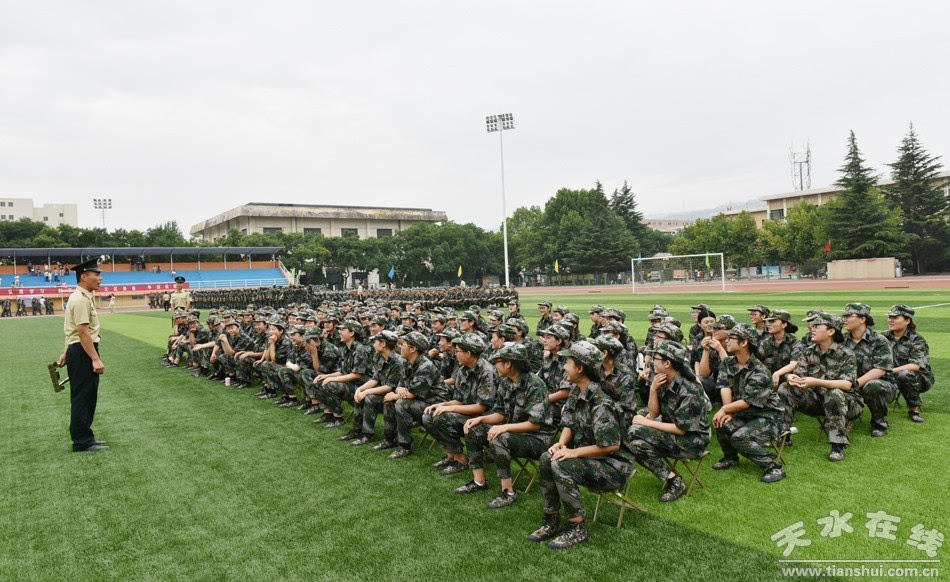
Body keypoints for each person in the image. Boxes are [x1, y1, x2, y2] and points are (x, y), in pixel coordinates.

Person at [530, 341, 633, 550]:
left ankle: (577, 527)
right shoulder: (578, 391)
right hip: (590, 459)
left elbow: (611, 446)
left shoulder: (602, 401)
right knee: (546, 458)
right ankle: (551, 519)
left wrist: (573, 452)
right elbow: (568, 422)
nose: (564, 366)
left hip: (613, 467)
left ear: (580, 368)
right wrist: (560, 444)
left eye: (568, 362)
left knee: (561, 464)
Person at [456, 342, 554, 507]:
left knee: (499, 437)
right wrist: (480, 419)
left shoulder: (535, 384)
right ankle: (479, 482)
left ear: (508, 363)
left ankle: (508, 492)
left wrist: (504, 427)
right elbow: (500, 414)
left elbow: (534, 425)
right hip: (514, 433)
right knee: (473, 428)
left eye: (497, 362)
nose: (495, 366)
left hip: (538, 439)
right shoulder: (506, 383)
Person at [625, 340, 711, 503]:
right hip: (674, 433)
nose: (651, 360)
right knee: (635, 442)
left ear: (667, 363)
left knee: (634, 430)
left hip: (693, 441)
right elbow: (654, 412)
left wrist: (646, 422)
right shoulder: (661, 379)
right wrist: (653, 390)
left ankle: (673, 481)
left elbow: (681, 429)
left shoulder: (690, 390)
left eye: (655, 358)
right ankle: (674, 480)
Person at [777, 312, 862, 462]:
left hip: (848, 404)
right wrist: (792, 377)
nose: (812, 329)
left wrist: (816, 382)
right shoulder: (809, 351)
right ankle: (783, 435)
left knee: (834, 393)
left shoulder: (846, 354)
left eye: (817, 326)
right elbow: (800, 375)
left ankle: (837, 446)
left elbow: (846, 385)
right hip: (817, 401)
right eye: (812, 326)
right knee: (785, 387)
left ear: (831, 331)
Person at [711, 325, 786, 483]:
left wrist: (725, 408)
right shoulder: (728, 363)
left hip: (769, 417)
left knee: (739, 438)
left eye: (731, 338)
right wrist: (728, 412)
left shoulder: (759, 371)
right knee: (721, 422)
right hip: (745, 414)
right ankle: (730, 458)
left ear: (744, 343)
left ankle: (773, 466)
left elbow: (746, 402)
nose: (727, 340)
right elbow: (725, 387)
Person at [58, 257, 108, 452]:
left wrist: (65, 351)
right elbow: (82, 332)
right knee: (83, 396)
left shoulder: (85, 296)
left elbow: (71, 331)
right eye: (96, 274)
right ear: (84, 276)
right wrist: (95, 358)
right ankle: (82, 441)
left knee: (87, 395)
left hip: (78, 349)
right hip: (83, 351)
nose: (100, 278)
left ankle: (85, 436)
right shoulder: (80, 299)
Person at [842, 303, 898, 438]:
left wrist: (853, 384)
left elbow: (880, 370)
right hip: (851, 383)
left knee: (873, 386)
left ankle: (879, 423)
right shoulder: (842, 340)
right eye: (844, 315)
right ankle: (844, 420)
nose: (844, 319)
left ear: (863, 319)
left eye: (849, 316)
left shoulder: (879, 340)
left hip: (881, 385)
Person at [882, 304, 933, 424]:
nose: (891, 320)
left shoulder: (917, 339)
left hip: (920, 378)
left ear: (907, 320)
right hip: (891, 375)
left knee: (904, 374)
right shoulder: (884, 336)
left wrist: (889, 371)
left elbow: (916, 365)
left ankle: (913, 410)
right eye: (889, 317)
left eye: (895, 317)